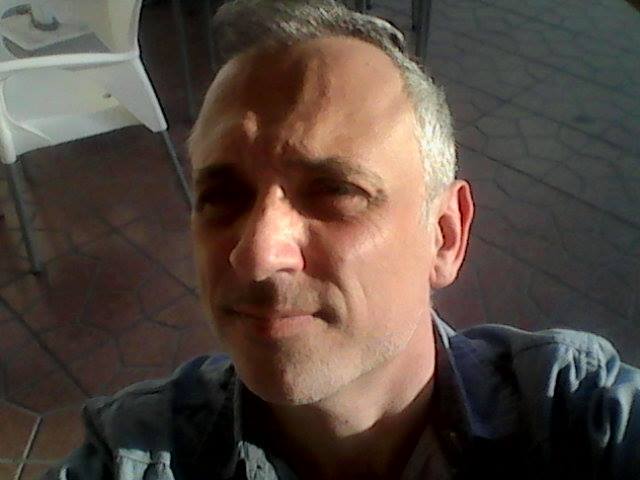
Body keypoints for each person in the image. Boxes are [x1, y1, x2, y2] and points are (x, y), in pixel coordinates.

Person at [44, 1, 640, 479]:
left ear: (444, 235)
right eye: (222, 197)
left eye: (334, 191)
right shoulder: (138, 453)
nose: (255, 255)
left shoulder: (574, 417)